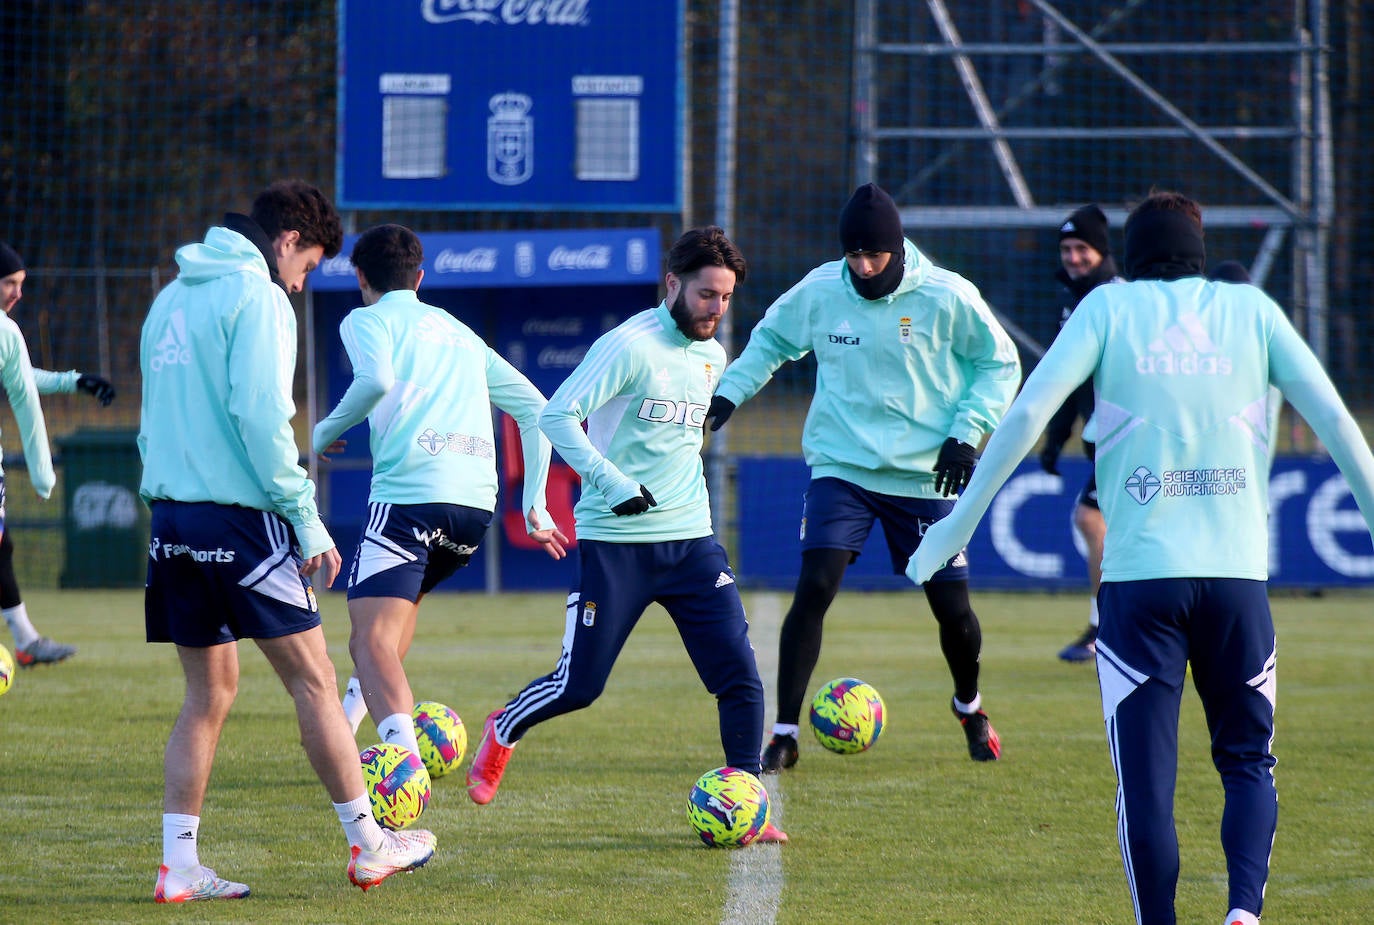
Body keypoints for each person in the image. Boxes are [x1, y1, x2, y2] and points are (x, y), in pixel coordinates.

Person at [908, 190, 1374, 925]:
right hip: (1235, 584)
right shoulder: (1251, 312)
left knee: (1147, 788)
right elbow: (1341, 425)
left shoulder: (1108, 309)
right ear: (1198, 246)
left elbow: (1030, 412)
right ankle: (1244, 914)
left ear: (1134, 254)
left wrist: (952, 530)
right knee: (1249, 762)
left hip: (1138, 586)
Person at [139, 181, 435, 902]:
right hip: (240, 521)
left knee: (207, 693)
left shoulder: (170, 296)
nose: (302, 284)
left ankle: (179, 865)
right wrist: (306, 518)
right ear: (287, 240)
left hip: (171, 520)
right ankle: (371, 845)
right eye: (307, 265)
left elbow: (154, 417)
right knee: (315, 681)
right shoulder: (259, 296)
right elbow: (264, 419)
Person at [464, 226, 786, 843]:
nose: (716, 310)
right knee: (580, 686)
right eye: (705, 295)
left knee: (739, 676)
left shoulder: (714, 354)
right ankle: (504, 725)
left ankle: (748, 800)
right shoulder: (630, 346)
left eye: (724, 298)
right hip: (615, 544)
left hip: (692, 542)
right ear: (673, 284)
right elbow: (557, 414)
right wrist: (611, 484)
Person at [707, 182, 1021, 770]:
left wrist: (965, 434)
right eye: (853, 255)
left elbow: (999, 364)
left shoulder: (947, 295)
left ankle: (970, 706)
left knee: (952, 610)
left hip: (925, 476)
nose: (863, 266)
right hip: (842, 467)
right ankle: (784, 733)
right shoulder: (823, 289)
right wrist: (728, 393)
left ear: (897, 249)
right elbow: (771, 341)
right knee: (816, 585)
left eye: (874, 255)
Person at [311, 223, 568, 758]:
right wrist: (536, 504)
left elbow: (375, 380)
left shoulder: (365, 318)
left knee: (368, 637)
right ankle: (346, 727)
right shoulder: (457, 330)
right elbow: (536, 408)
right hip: (473, 510)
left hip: (410, 499)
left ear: (360, 276)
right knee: (397, 614)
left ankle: (404, 765)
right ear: (420, 277)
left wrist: (323, 433)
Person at [0, 241, 116, 667]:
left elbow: (19, 374)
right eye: (9, 283)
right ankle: (27, 641)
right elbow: (25, 401)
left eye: (21, 283)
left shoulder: (6, 335)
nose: (18, 293)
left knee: (2, 547)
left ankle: (27, 640)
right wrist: (43, 473)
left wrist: (73, 381)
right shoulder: (6, 331)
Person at [1037, 206, 1122, 663]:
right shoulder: (1075, 299)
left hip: (1128, 440)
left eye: (1081, 249)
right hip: (1103, 441)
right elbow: (1069, 380)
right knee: (1107, 526)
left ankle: (1105, 628)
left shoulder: (1116, 298)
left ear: (1102, 252)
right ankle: (1110, 626)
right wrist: (1055, 440)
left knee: (1092, 521)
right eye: (1066, 249)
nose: (1072, 257)